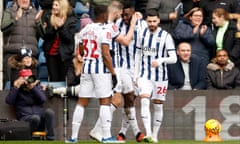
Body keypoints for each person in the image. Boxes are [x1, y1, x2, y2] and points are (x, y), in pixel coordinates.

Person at [65, 4, 120, 143]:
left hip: (86, 69)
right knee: (105, 101)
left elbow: (81, 51)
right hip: (100, 69)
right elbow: (106, 54)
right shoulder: (105, 30)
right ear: (104, 15)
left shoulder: (85, 29)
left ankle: (73, 137)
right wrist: (113, 73)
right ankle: (107, 136)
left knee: (82, 102)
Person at [134, 10, 177, 143]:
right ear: (146, 21)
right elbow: (138, 55)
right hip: (144, 75)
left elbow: (174, 58)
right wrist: (135, 75)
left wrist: (161, 60)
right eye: (149, 21)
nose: (152, 24)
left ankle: (155, 135)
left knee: (158, 105)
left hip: (160, 77)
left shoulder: (166, 36)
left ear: (158, 21)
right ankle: (148, 133)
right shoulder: (142, 34)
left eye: (154, 21)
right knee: (144, 100)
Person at [5, 69, 55, 140]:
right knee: (35, 118)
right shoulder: (17, 90)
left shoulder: (36, 88)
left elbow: (43, 99)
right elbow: (9, 101)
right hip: (26, 120)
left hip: (40, 119)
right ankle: (28, 137)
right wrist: (16, 87)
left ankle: (50, 138)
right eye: (25, 78)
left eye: (29, 77)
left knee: (49, 112)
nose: (28, 80)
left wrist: (33, 88)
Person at [1, 0, 40, 85]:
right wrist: (16, 18)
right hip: (12, 55)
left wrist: (38, 23)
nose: (24, 0)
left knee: (31, 86)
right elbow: (3, 28)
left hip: (30, 56)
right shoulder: (9, 11)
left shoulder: (35, 13)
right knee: (12, 86)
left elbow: (43, 34)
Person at [40, 0, 77, 82]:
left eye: (56, 5)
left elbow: (68, 38)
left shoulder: (71, 19)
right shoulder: (49, 17)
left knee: (63, 80)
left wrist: (61, 27)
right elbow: (45, 36)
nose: (53, 7)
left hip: (64, 55)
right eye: (53, 5)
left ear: (62, 6)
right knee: (54, 80)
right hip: (51, 54)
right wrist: (54, 28)